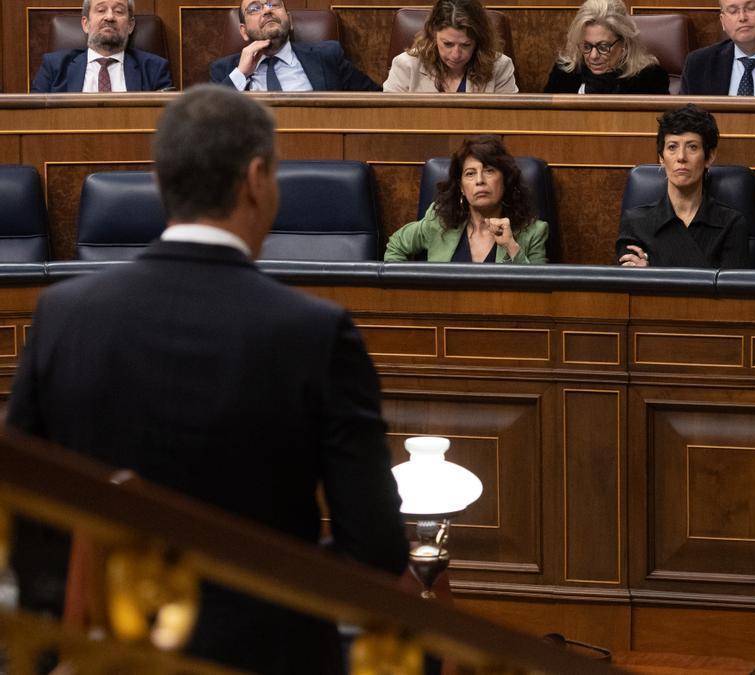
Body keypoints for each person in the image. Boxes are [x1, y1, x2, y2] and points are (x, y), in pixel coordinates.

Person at [7, 85, 408, 674]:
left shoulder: (63, 315)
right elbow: (375, 548)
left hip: (102, 654)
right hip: (265, 653)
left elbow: (25, 507)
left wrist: (71, 633)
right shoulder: (315, 332)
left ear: (160, 179)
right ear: (255, 179)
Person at [616, 105, 751, 269]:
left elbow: (732, 291)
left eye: (692, 147)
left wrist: (653, 270)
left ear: (709, 157)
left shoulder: (731, 223)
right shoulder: (635, 222)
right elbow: (628, 288)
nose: (681, 157)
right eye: (672, 147)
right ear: (661, 158)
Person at [385, 136, 547, 262]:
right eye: (470, 173)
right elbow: (396, 246)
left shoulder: (533, 232)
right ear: (461, 187)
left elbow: (539, 289)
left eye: (489, 171)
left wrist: (511, 247)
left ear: (505, 180)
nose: (479, 180)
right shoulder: (438, 221)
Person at [210, 0, 379, 91]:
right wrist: (241, 74)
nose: (267, 11)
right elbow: (208, 125)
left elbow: (376, 102)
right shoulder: (224, 71)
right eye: (255, 8)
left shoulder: (328, 56)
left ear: (290, 21)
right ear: (243, 31)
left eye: (274, 4)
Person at [32, 0, 173, 93]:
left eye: (118, 11)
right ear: (85, 24)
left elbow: (165, 126)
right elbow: (35, 120)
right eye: (101, 10)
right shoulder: (54, 67)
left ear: (130, 25)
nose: (109, 17)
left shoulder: (154, 69)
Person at [383, 0, 517, 93]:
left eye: (466, 45)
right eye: (447, 44)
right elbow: (390, 120)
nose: (456, 54)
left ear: (479, 40)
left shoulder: (500, 66)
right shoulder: (406, 66)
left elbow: (508, 122)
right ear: (433, 34)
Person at [544, 0, 669, 95]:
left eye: (603, 47)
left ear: (624, 43)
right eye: (586, 46)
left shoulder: (649, 78)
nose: (593, 56)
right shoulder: (565, 73)